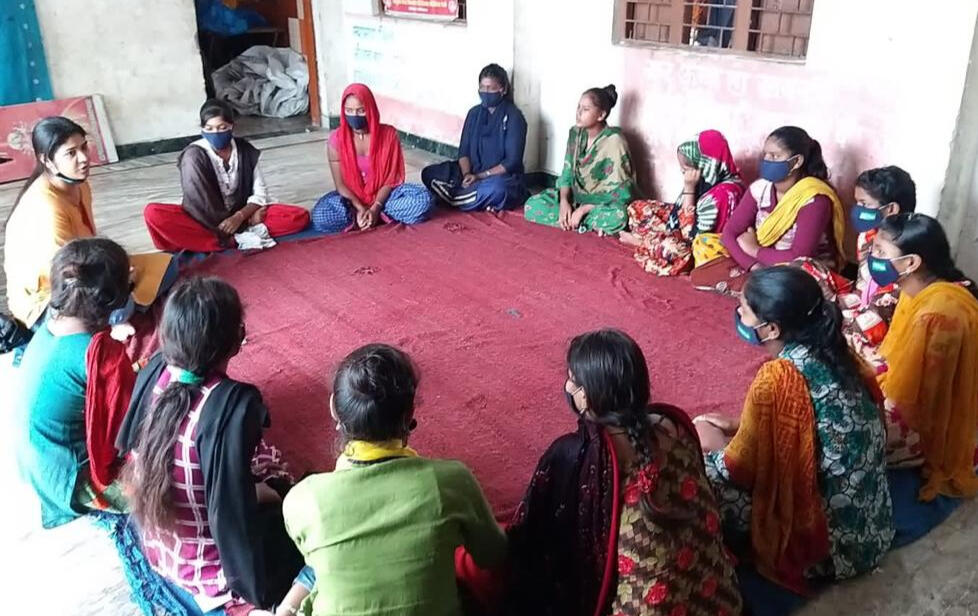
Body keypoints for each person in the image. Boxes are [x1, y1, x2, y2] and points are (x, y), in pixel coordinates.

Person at [696, 266, 892, 614]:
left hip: (823, 547)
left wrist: (709, 446)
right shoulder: (839, 351)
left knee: (697, 474)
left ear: (771, 328)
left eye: (743, 309)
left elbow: (738, 469)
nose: (738, 314)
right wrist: (739, 424)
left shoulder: (777, 377)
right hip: (871, 531)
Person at [507, 329, 742, 616]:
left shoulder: (576, 455)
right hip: (719, 602)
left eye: (572, 380)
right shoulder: (673, 424)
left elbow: (532, 535)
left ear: (586, 395)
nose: (568, 388)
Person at [116, 277, 307, 614]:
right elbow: (231, 508)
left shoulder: (155, 370)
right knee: (304, 502)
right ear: (236, 341)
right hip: (216, 573)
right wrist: (274, 491)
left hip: (161, 550)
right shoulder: (234, 407)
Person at [283, 343, 507, 616]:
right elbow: (494, 554)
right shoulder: (451, 481)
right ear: (410, 413)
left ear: (334, 408)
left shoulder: (303, 499)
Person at [4, 116, 174, 331]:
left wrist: (118, 271)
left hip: (88, 268)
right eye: (71, 153)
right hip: (51, 300)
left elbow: (89, 244)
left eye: (84, 147)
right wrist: (116, 278)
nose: (84, 158)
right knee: (120, 301)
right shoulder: (46, 206)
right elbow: (69, 277)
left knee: (168, 265)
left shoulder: (79, 185)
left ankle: (118, 311)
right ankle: (113, 318)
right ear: (46, 161)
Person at [870, 213, 978, 546]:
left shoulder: (938, 315)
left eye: (879, 252)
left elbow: (912, 406)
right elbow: (892, 356)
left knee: (841, 441)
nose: (870, 258)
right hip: (911, 399)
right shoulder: (916, 289)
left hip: (930, 428)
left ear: (912, 261)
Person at [16, 238, 135, 528]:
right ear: (116, 298)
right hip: (71, 478)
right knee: (178, 480)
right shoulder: (99, 357)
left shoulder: (47, 331)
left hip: (39, 465)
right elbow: (129, 427)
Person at [690, 126, 845, 294]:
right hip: (759, 262)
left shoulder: (814, 199)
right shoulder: (760, 188)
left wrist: (754, 249)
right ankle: (759, 285)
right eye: (766, 155)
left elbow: (799, 256)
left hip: (798, 269)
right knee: (703, 256)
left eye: (775, 156)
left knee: (795, 280)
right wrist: (753, 265)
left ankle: (759, 289)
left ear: (797, 161)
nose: (767, 160)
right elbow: (730, 233)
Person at [143, 99, 310, 252]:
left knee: (298, 217)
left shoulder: (244, 150)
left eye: (222, 128)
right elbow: (200, 205)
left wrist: (240, 216)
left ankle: (212, 242)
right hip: (203, 220)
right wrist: (240, 223)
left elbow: (260, 193)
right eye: (209, 129)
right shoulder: (194, 156)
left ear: (232, 126)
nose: (215, 133)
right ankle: (230, 240)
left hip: (241, 213)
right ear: (202, 129)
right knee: (154, 214)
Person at [797, 166, 916, 367]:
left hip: (881, 315)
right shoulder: (867, 236)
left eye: (864, 204)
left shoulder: (903, 251)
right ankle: (823, 320)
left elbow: (882, 308)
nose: (857, 209)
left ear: (891, 210)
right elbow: (861, 286)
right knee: (802, 267)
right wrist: (841, 305)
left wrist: (839, 313)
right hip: (860, 299)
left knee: (854, 337)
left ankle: (822, 324)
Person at [620, 130, 745, 276]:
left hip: (700, 246)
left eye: (686, 169)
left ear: (705, 165)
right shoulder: (715, 178)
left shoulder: (719, 196)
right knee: (638, 208)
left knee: (676, 250)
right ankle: (654, 238)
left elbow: (688, 236)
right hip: (689, 222)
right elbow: (678, 213)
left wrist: (689, 187)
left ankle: (641, 242)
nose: (682, 172)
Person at [312, 83, 433, 233]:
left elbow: (391, 179)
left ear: (370, 109)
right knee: (320, 216)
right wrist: (359, 207)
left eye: (361, 111)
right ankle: (360, 216)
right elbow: (340, 185)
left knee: (422, 200)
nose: (354, 116)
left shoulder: (389, 135)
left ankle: (377, 215)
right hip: (352, 202)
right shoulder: (336, 140)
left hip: (386, 199)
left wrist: (376, 207)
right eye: (349, 111)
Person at [524, 85, 636, 235]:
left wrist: (584, 209)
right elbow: (567, 174)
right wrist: (564, 202)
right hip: (575, 199)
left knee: (619, 217)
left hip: (600, 205)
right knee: (532, 205)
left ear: (601, 115)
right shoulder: (575, 134)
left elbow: (623, 192)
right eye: (578, 107)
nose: (579, 113)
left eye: (586, 109)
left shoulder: (614, 141)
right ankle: (580, 223)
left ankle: (574, 221)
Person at [420, 64, 528, 212]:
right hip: (472, 173)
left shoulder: (514, 117)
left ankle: (455, 198)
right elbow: (463, 152)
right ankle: (469, 198)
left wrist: (480, 176)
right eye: (482, 88)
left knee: (499, 189)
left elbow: (511, 162)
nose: (486, 92)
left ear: (503, 89)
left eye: (490, 88)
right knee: (429, 173)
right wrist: (467, 175)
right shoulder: (474, 114)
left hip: (497, 177)